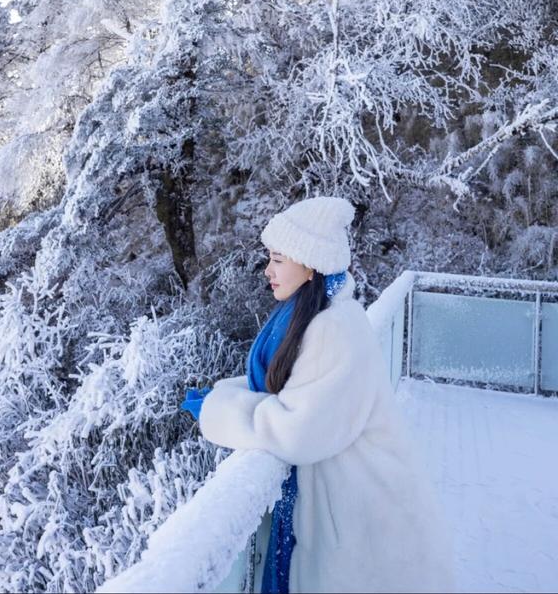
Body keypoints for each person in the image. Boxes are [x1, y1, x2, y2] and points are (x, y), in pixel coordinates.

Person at [182, 195, 458, 594]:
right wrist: (223, 394)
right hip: (356, 507)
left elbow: (296, 431)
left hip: (367, 520)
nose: (267, 271)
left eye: (278, 259)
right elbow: (297, 386)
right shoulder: (318, 316)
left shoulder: (333, 329)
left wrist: (217, 410)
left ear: (309, 264)